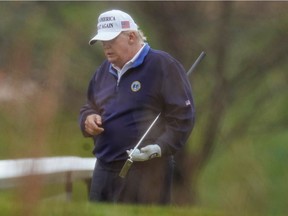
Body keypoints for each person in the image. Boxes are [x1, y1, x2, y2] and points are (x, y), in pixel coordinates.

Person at [79, 9, 195, 204]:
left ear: (131, 36)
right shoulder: (103, 71)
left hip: (147, 172)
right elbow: (89, 106)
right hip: (104, 168)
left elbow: (182, 117)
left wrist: (159, 147)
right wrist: (87, 119)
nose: (106, 47)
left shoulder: (162, 65)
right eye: (103, 43)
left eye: (111, 41)